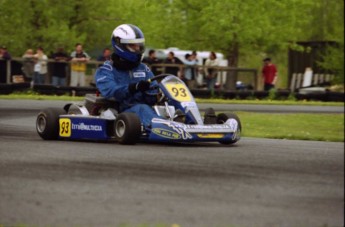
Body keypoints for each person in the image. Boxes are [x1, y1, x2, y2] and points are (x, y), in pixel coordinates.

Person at [95, 24, 163, 128]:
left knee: (171, 108)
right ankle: (161, 128)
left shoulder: (143, 68)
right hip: (121, 111)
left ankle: (184, 123)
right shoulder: (106, 70)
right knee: (142, 108)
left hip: (145, 110)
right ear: (120, 46)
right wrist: (134, 87)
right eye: (132, 46)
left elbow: (152, 95)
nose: (137, 48)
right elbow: (112, 92)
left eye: (138, 45)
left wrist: (158, 93)